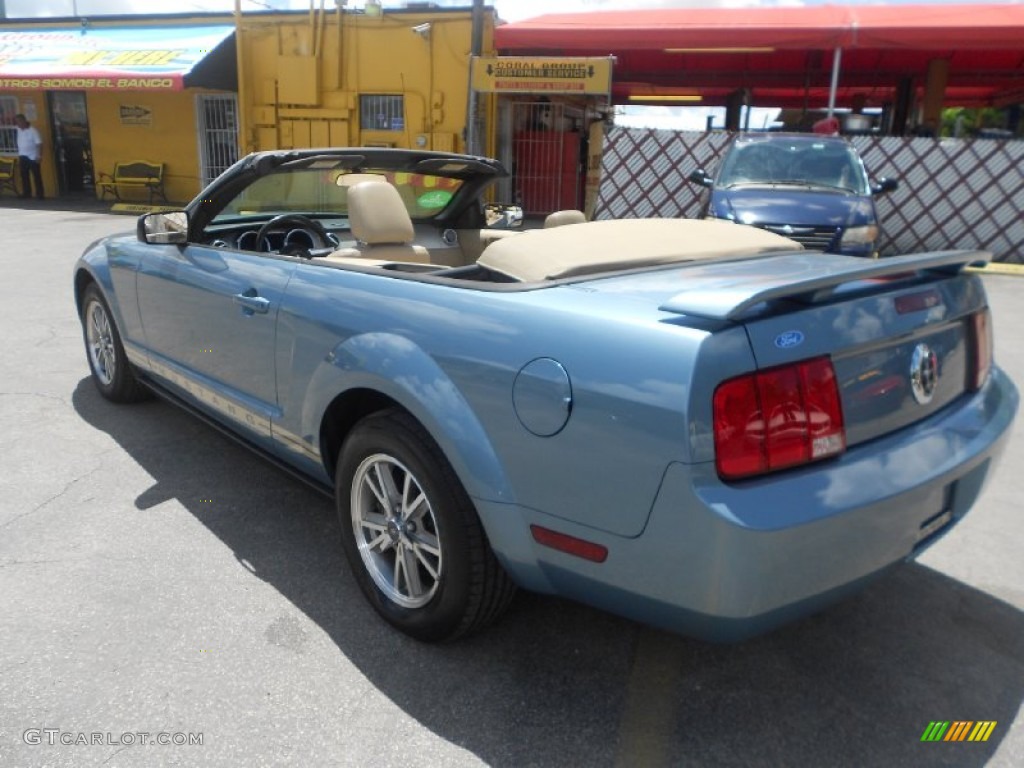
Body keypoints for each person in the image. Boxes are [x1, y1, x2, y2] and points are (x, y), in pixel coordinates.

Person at [14, 114, 44, 199]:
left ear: (23, 121)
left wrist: (39, 156)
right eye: (16, 122)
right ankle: (27, 193)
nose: (18, 124)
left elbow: (39, 144)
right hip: (22, 155)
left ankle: (40, 194)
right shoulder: (18, 130)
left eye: (19, 122)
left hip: (33, 156)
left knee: (36, 176)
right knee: (24, 175)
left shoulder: (33, 130)